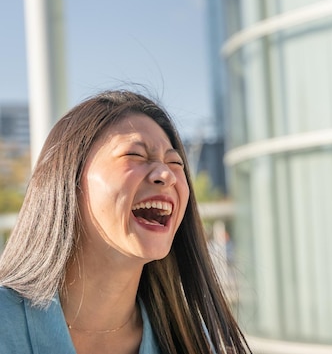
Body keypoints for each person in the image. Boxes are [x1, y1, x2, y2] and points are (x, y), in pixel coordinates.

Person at [0, 90, 251, 354]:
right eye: (136, 155)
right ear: (68, 180)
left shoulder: (194, 342)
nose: (167, 174)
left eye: (175, 162)